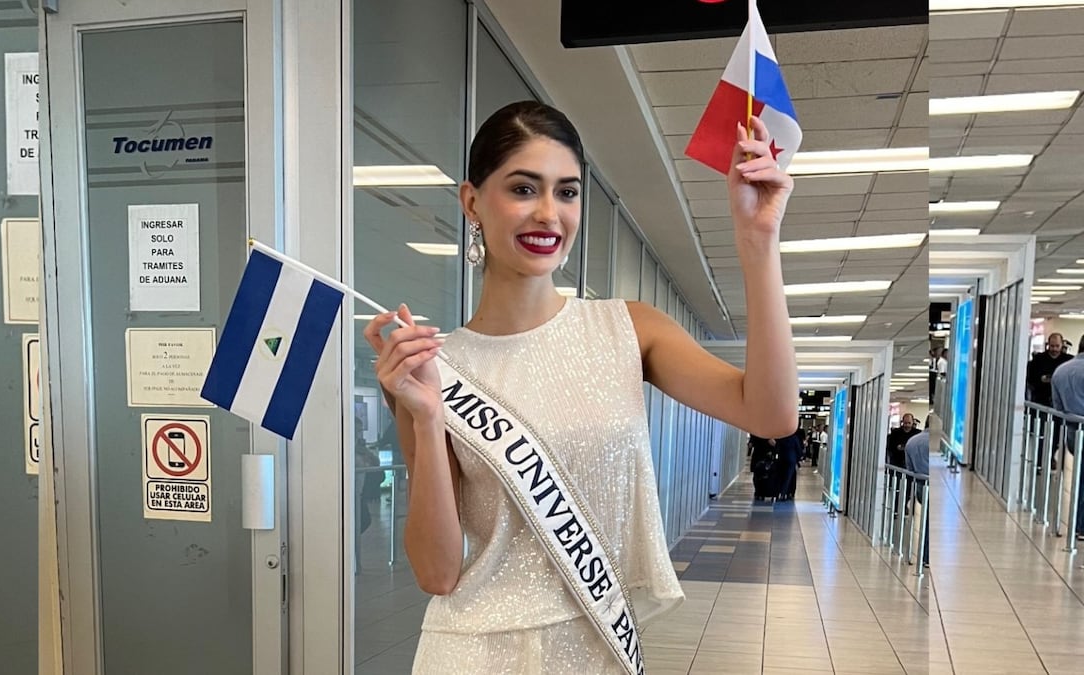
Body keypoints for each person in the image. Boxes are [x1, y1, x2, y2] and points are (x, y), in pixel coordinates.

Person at [364, 101, 797, 673]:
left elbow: (770, 414)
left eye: (567, 193)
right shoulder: (435, 370)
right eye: (523, 189)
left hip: (599, 646)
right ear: (472, 201)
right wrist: (422, 414)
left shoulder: (628, 328)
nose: (549, 213)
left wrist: (759, 241)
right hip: (473, 651)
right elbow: (437, 573)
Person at [1051, 349, 1084, 542]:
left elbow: (1058, 407)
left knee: (1080, 477)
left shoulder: (1061, 370)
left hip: (1072, 429)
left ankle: (1079, 524)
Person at [1028, 333, 1072, 471]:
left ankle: (1051, 457)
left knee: (1057, 436)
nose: (1054, 349)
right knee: (1041, 434)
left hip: (1060, 405)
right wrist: (1042, 381)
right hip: (1041, 402)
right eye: (1052, 346)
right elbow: (1031, 379)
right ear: (1048, 345)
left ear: (1062, 345)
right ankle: (1041, 461)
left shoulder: (1068, 361)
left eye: (1057, 346)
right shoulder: (1038, 360)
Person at [904, 419, 931, 567]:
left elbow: (909, 468)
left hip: (920, 484)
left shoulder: (912, 441)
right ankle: (928, 556)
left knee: (926, 520)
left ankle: (925, 555)